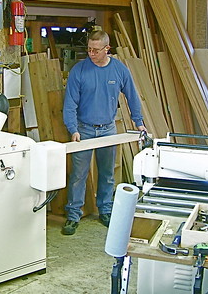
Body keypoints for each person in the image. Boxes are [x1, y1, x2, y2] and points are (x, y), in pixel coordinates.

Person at [61, 30, 147, 236]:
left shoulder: (119, 70)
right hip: (84, 129)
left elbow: (132, 96)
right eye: (89, 49)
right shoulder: (79, 70)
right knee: (78, 175)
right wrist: (73, 129)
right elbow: (70, 104)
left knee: (107, 174)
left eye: (96, 50)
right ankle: (73, 215)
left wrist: (139, 122)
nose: (91, 53)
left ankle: (105, 210)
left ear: (107, 49)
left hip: (108, 129)